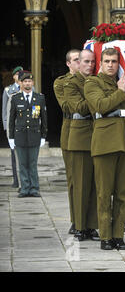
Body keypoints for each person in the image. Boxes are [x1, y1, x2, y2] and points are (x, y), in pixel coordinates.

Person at [84, 48, 125, 250]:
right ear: (100, 62)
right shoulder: (92, 82)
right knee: (104, 193)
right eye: (106, 61)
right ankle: (106, 236)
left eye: (114, 61)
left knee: (124, 193)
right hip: (105, 142)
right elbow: (100, 105)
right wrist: (120, 91)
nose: (110, 65)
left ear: (119, 64)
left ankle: (118, 235)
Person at [64, 49, 99, 241]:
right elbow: (79, 108)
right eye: (86, 61)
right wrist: (97, 100)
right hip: (79, 138)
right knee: (80, 185)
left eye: (92, 62)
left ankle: (91, 225)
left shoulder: (96, 81)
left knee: (95, 185)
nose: (89, 65)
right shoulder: (71, 84)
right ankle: (79, 225)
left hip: (97, 136)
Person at [9, 71, 47, 198]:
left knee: (32, 163)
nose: (27, 83)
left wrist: (43, 136)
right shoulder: (15, 98)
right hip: (20, 136)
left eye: (29, 81)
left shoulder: (39, 98)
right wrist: (11, 137)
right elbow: (11, 119)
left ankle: (34, 188)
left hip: (34, 135)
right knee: (22, 163)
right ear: (21, 83)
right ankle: (25, 188)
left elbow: (44, 118)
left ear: (33, 83)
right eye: (25, 81)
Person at [53, 49, 80, 234]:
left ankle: (90, 222)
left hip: (90, 132)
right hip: (71, 130)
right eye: (76, 60)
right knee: (74, 180)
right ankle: (76, 220)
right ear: (68, 64)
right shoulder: (61, 82)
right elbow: (67, 105)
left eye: (83, 60)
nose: (81, 63)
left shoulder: (91, 80)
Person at [2, 66, 22, 188]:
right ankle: (16, 180)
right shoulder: (8, 90)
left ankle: (26, 180)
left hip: (26, 126)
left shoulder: (29, 87)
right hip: (13, 127)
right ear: (14, 76)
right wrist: (6, 128)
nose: (20, 75)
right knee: (14, 154)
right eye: (18, 73)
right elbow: (5, 111)